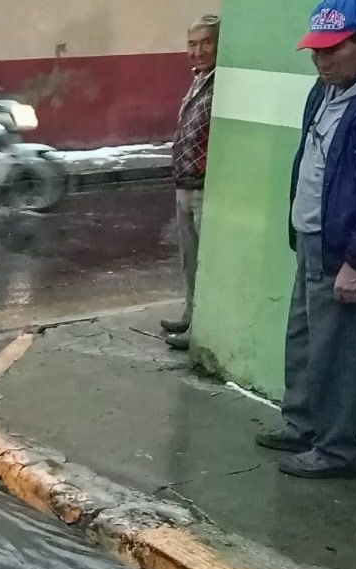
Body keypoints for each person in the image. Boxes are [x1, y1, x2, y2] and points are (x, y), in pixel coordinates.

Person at [256, 0, 356, 479]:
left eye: (332, 50)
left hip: (348, 253)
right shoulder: (325, 90)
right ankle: (302, 424)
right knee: (305, 339)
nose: (321, 61)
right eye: (316, 51)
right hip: (315, 240)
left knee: (341, 353)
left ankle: (337, 450)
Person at [163, 15, 220, 351]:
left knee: (203, 260)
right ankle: (189, 313)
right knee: (189, 259)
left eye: (206, 43)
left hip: (202, 186)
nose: (198, 51)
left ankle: (200, 327)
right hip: (184, 183)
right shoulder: (199, 79)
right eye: (192, 44)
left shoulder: (220, 83)